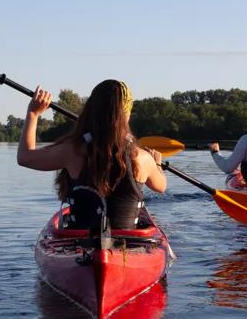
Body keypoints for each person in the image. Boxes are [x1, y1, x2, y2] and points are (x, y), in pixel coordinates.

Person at [16, 79, 166, 231]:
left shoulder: (72, 151)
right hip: (128, 244)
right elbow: (161, 187)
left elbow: (25, 157)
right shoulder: (142, 158)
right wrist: (157, 164)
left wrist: (33, 113)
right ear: (127, 114)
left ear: (91, 110)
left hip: (80, 243)